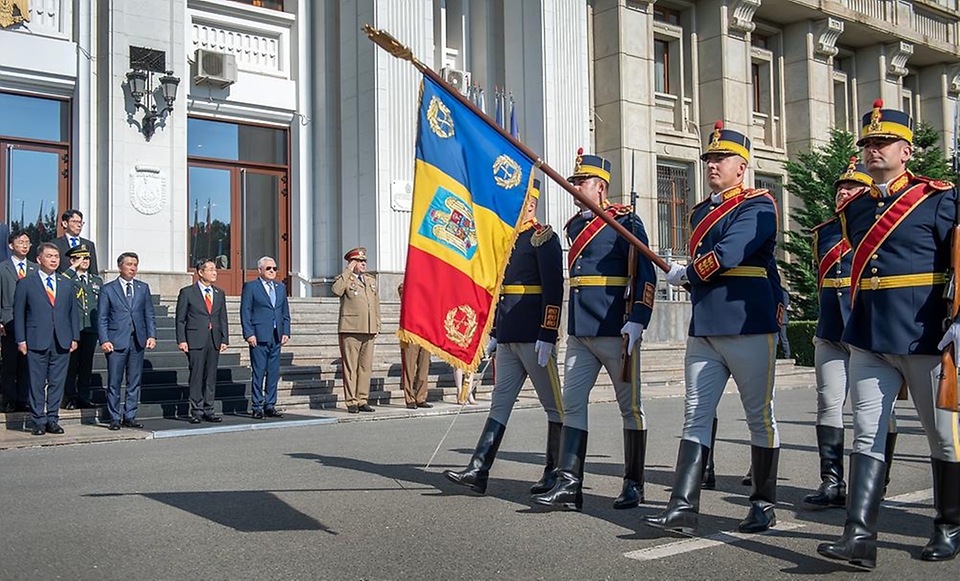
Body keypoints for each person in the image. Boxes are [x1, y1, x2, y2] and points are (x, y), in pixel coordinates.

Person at [818, 100, 959, 568]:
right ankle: (859, 536)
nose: (873, 150)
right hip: (869, 335)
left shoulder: (939, 198)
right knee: (867, 434)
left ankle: (948, 524)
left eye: (883, 143)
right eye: (868, 144)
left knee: (942, 437)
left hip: (924, 336)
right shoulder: (855, 208)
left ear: (907, 151)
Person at [644, 121, 783, 535]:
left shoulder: (759, 205)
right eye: (708, 159)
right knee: (695, 414)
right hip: (705, 324)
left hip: (747, 323)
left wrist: (687, 275)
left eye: (720, 159)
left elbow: (730, 252)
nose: (711, 165)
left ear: (742, 166)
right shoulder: (701, 211)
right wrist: (688, 276)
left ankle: (762, 503)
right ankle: (683, 506)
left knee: (759, 416)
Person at [532, 151, 656, 511]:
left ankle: (634, 484)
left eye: (580, 182)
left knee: (629, 408)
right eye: (573, 182)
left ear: (600, 187)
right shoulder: (575, 226)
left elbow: (645, 269)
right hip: (581, 330)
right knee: (572, 406)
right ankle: (570, 484)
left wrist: (639, 317)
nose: (574, 187)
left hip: (616, 327)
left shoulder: (626, 221)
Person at [444, 179, 565, 495]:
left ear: (532, 204)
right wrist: (495, 332)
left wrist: (548, 333)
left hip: (533, 336)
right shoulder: (507, 240)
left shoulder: (544, 238)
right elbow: (500, 293)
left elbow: (554, 289)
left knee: (554, 407)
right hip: (510, 336)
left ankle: (556, 472)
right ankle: (478, 469)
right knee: (499, 405)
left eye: (523, 202)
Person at [804, 160, 899, 510]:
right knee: (828, 403)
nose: (843, 192)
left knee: (873, 411)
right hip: (831, 330)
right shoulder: (824, 232)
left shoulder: (883, 226)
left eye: (852, 187)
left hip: (867, 331)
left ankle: (877, 480)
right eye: (840, 188)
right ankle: (831, 481)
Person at [13, 242, 79, 435]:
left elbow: (72, 313)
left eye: (56, 257)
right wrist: (21, 340)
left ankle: (52, 419)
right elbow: (19, 314)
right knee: (36, 382)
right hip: (35, 340)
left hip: (61, 339)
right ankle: (38, 421)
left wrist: (74, 337)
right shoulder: (26, 283)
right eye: (49, 256)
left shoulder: (66, 284)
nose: (53, 260)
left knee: (58, 382)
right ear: (39, 259)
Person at [97, 252, 157, 430]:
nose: (132, 268)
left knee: (134, 380)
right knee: (115, 380)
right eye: (129, 264)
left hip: (137, 340)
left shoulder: (143, 288)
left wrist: (151, 335)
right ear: (120, 266)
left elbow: (149, 313)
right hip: (116, 341)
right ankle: (114, 417)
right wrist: (104, 339)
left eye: (135, 264)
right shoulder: (108, 289)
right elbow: (102, 317)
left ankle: (130, 415)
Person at [176, 259, 229, 424]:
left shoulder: (219, 293)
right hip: (195, 339)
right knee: (197, 375)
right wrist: (182, 340)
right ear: (200, 272)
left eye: (215, 270)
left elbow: (223, 318)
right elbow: (180, 319)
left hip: (214, 339)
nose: (215, 273)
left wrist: (224, 338)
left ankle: (209, 409)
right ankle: (196, 410)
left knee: (211, 376)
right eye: (211, 269)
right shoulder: (187, 292)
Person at [240, 256, 291, 419]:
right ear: (260, 270)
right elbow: (245, 311)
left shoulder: (280, 287)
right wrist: (249, 333)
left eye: (274, 268)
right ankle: (257, 405)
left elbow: (284, 311)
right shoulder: (251, 287)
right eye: (268, 268)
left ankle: (270, 404)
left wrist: (286, 331)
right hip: (259, 335)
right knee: (259, 371)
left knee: (273, 372)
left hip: (276, 335)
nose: (272, 271)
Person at [332, 247, 380, 413]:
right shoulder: (345, 279)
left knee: (365, 367)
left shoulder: (370, 280)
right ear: (352, 262)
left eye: (364, 261)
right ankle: (351, 400)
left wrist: (377, 324)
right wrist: (348, 271)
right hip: (351, 328)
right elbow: (336, 290)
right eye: (359, 261)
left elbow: (375, 304)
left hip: (368, 328)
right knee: (351, 367)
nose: (363, 263)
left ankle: (362, 399)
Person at [61, 244, 102, 409]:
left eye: (87, 258)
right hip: (73, 328)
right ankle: (69, 397)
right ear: (72, 260)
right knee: (72, 364)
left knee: (86, 365)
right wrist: (73, 268)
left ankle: (84, 396)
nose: (85, 261)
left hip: (90, 328)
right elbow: (61, 281)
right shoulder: (68, 278)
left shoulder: (96, 280)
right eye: (81, 258)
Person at [0, 231, 37, 412]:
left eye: (27, 242)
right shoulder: (2, 268)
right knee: (9, 364)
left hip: (30, 323)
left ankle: (24, 398)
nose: (24, 245)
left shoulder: (35, 269)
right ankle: (8, 399)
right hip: (9, 323)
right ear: (10, 245)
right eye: (21, 242)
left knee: (27, 364)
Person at [397, 282, 432, 410]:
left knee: (424, 367)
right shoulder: (408, 282)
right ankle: (410, 398)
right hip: (411, 330)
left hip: (426, 331)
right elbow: (402, 292)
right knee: (409, 366)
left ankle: (421, 397)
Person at [53, 209, 99, 275]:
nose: (79, 225)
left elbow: (93, 270)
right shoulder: (55, 244)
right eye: (75, 222)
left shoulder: (89, 244)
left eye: (80, 222)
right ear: (65, 223)